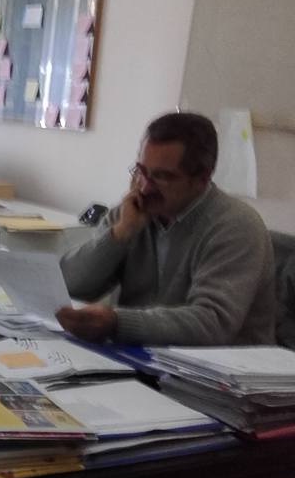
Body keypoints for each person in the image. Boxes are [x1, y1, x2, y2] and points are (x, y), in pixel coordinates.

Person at [57, 111, 275, 345]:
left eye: (161, 177)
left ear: (202, 178)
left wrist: (117, 323)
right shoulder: (132, 211)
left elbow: (213, 323)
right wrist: (120, 234)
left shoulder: (236, 227)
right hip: (139, 354)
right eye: (141, 171)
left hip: (216, 364)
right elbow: (69, 285)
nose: (145, 187)